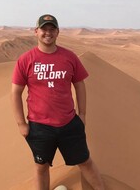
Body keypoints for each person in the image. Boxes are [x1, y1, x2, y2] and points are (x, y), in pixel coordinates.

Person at [11, 14, 105, 190]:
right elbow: (15, 93)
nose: (48, 32)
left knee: (85, 161)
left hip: (69, 123)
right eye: (44, 29)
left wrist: (82, 114)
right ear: (36, 31)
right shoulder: (26, 60)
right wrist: (21, 124)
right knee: (41, 167)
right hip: (39, 126)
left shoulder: (69, 57)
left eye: (52, 29)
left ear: (57, 32)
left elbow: (80, 85)